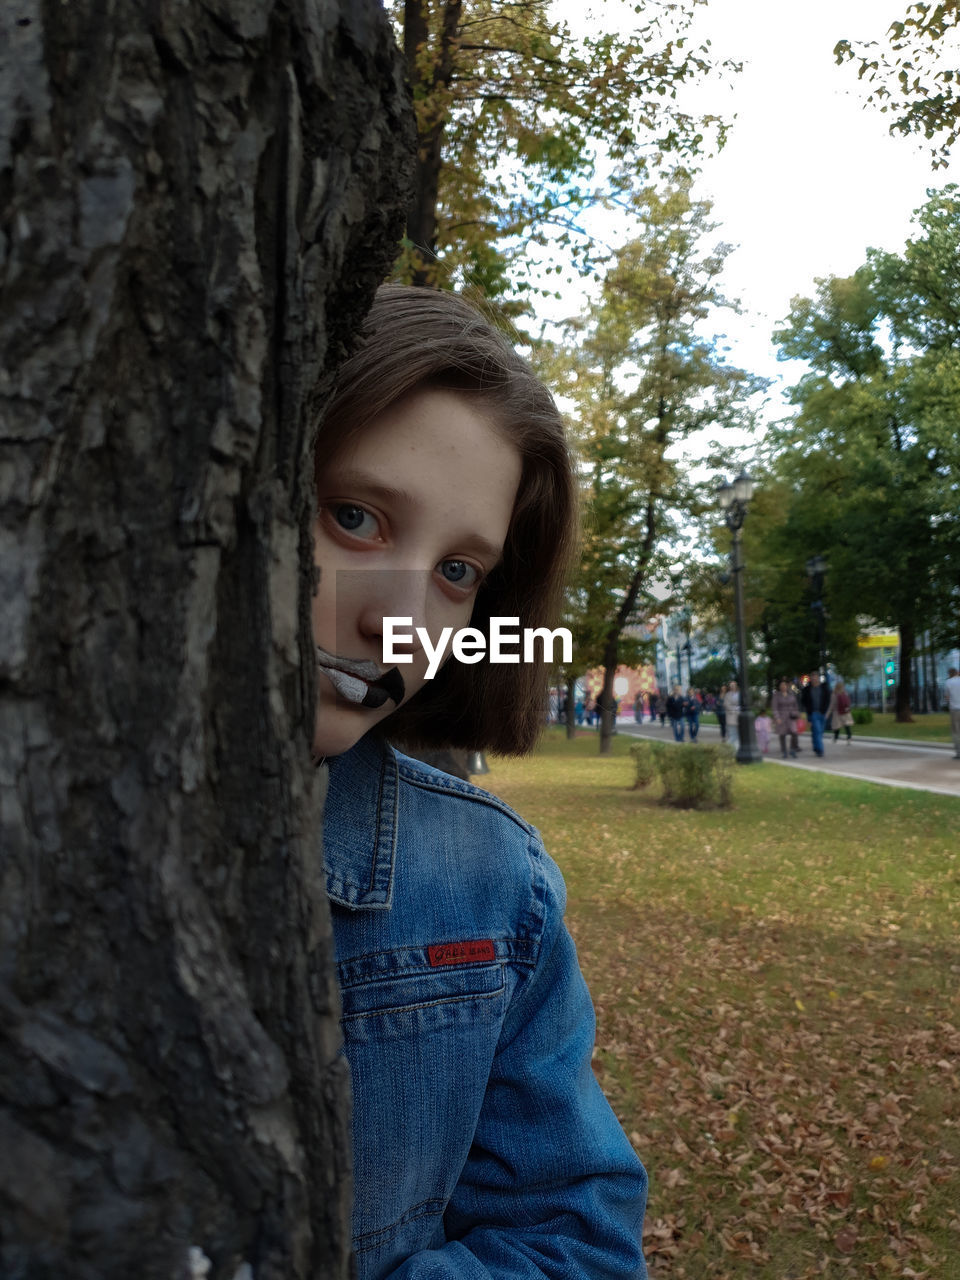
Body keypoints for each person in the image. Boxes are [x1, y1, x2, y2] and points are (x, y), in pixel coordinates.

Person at [312, 285, 647, 1278]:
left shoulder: (491, 882)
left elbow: (574, 1233)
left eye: (458, 572)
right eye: (356, 516)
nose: (404, 619)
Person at [801, 671, 830, 757]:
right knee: (817, 731)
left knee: (819, 732)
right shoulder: (807, 689)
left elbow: (828, 700)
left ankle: (816, 747)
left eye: (816, 677)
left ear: (818, 678)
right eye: (812, 677)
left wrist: (826, 712)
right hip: (813, 713)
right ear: (811, 678)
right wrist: (808, 711)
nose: (814, 678)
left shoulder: (824, 688)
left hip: (822, 713)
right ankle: (820, 750)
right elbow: (803, 701)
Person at [772, 678, 800, 758]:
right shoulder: (776, 695)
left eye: (784, 685)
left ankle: (792, 750)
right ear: (779, 686)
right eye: (782, 685)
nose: (783, 686)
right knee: (782, 735)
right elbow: (774, 708)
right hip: (781, 717)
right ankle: (784, 751)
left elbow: (796, 705)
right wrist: (777, 717)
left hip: (791, 717)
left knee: (794, 733)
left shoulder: (791, 694)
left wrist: (796, 713)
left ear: (787, 686)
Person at [827, 678, 854, 743]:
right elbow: (848, 702)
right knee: (847, 725)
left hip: (837, 712)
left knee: (836, 726)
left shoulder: (834, 694)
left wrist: (828, 713)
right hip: (845, 712)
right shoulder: (845, 693)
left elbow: (831, 705)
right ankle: (849, 738)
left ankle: (836, 738)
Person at [946, 666, 960, 759]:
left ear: (949, 674)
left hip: (954, 709)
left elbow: (947, 697)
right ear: (957, 672)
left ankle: (959, 752)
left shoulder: (948, 682)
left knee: (956, 731)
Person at [723, 680, 740, 749]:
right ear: (729, 687)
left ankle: (736, 749)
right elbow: (726, 705)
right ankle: (726, 748)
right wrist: (736, 709)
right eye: (731, 685)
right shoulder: (727, 695)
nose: (732, 686)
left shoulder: (740, 694)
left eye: (734, 685)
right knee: (733, 734)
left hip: (739, 718)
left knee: (738, 735)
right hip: (731, 718)